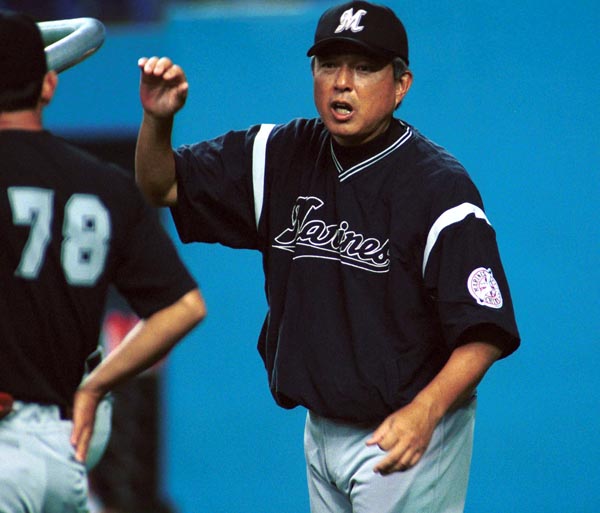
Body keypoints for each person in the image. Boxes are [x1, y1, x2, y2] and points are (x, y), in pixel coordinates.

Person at [133, 1, 520, 512]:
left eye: (364, 68)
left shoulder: (438, 188)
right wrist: (157, 122)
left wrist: (426, 412)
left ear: (401, 85)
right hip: (320, 429)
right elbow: (161, 186)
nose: (342, 83)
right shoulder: (279, 154)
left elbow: (485, 330)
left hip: (406, 427)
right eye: (329, 64)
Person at [0, 10, 206, 513]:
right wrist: (95, 387)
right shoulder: (104, 184)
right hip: (68, 447)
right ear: (48, 84)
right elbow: (184, 306)